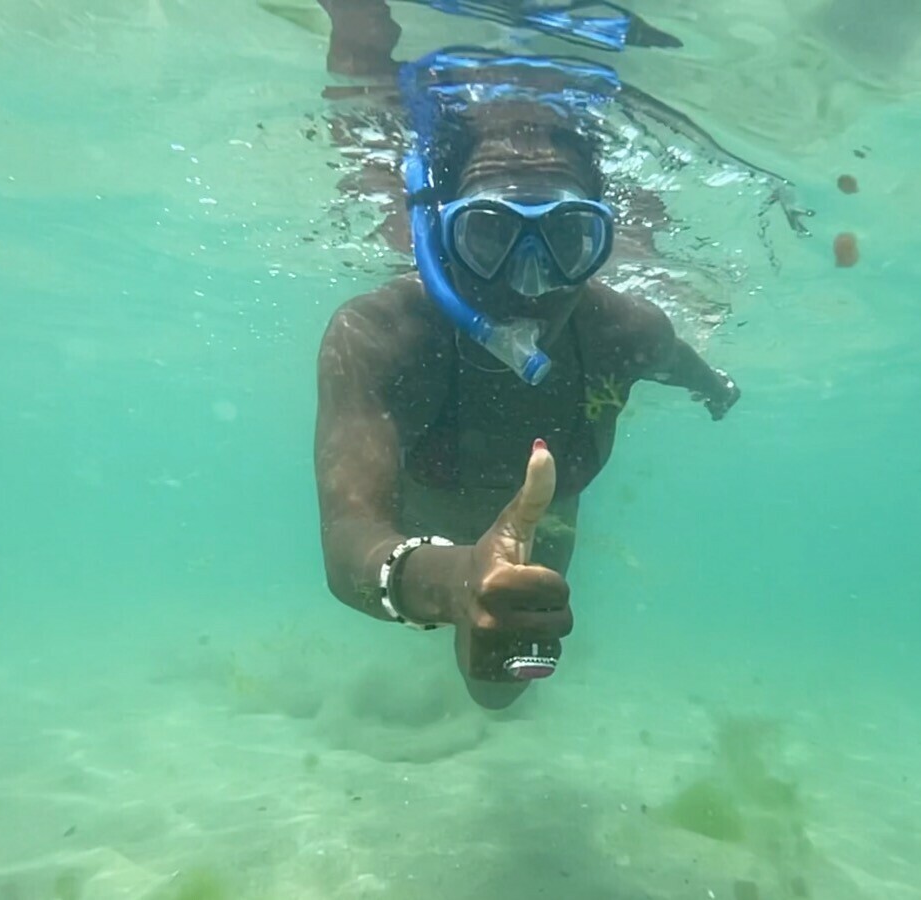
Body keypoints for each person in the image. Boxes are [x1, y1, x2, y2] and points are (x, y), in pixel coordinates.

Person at [312, 0, 741, 709]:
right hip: (435, 519)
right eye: (488, 234)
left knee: (498, 690)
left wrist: (713, 387)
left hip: (547, 513)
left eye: (568, 238)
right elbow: (349, 540)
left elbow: (679, 363)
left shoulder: (624, 330)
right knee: (494, 667)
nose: (530, 282)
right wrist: (456, 583)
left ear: (602, 238)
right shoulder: (381, 335)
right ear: (437, 234)